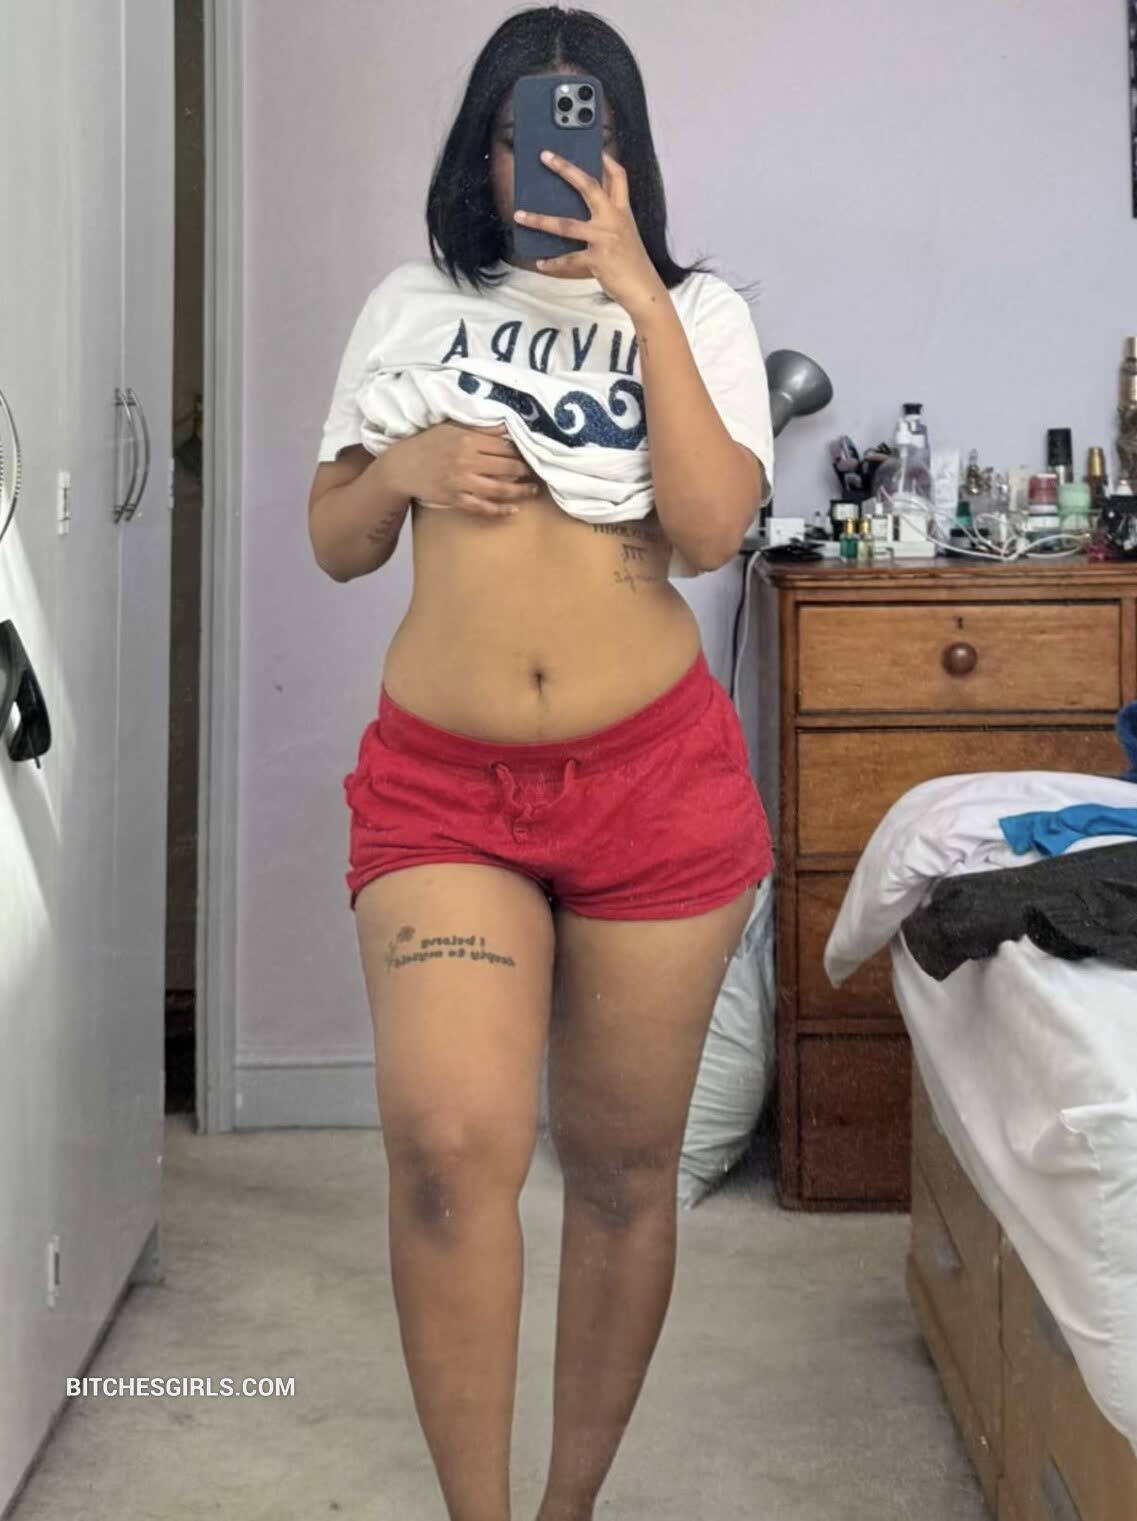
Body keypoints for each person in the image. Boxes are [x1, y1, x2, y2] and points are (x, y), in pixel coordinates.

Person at [306, 9, 775, 1521]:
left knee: (625, 1171)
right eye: (523, 131)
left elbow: (710, 532)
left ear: (624, 152)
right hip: (445, 792)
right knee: (449, 1150)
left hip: (654, 787)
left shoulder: (696, 314)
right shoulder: (410, 306)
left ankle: (567, 1509)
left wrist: (638, 296)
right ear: (485, 147)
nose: (551, 159)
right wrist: (402, 468)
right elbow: (333, 541)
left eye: (585, 130)